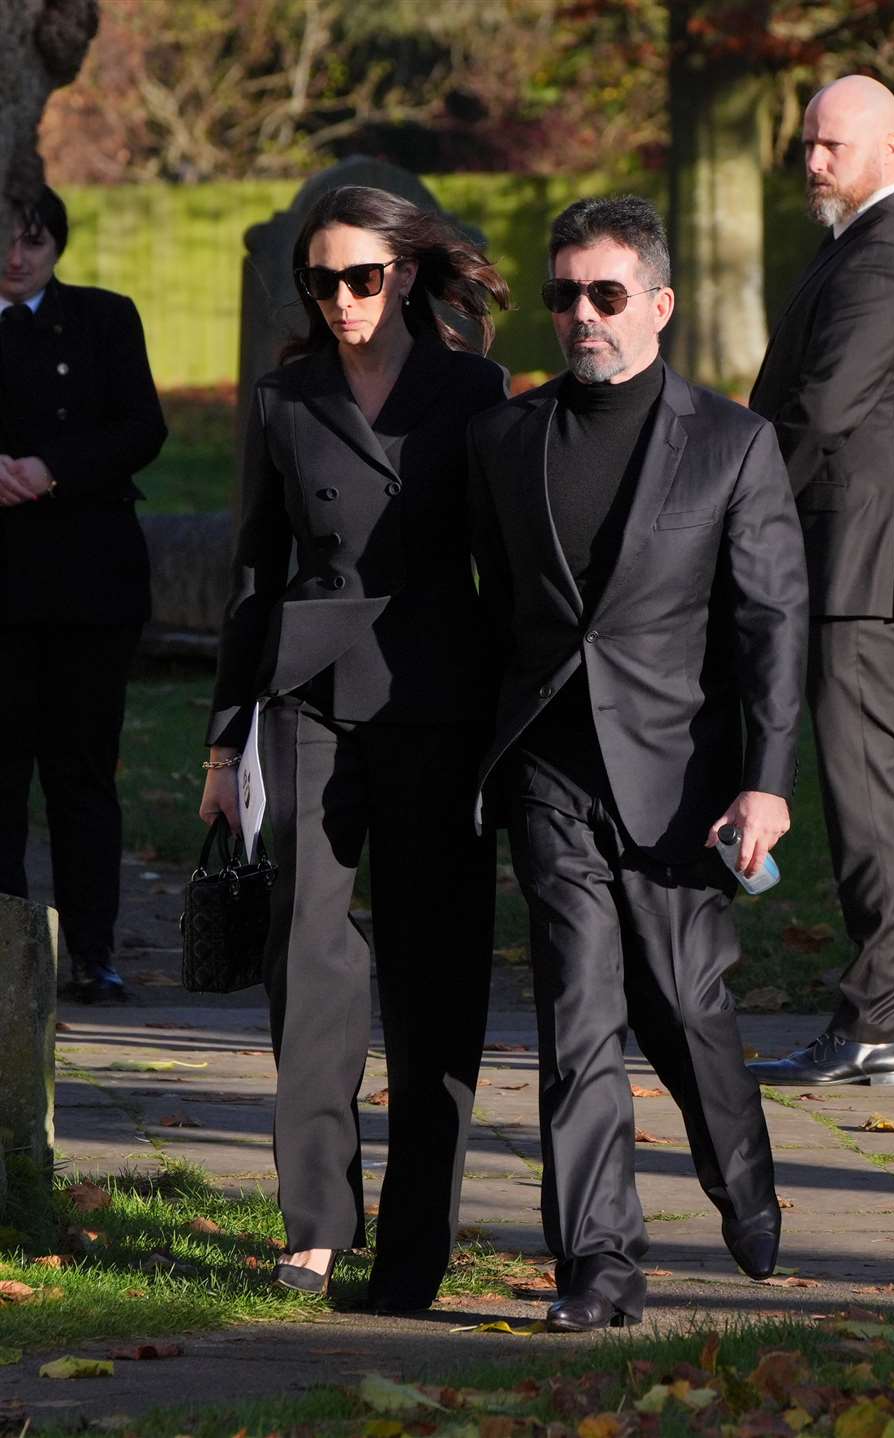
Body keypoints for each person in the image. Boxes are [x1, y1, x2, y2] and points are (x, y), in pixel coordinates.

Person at [468, 196, 808, 1332]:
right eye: (563, 294)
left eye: (606, 294)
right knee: (576, 1019)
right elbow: (500, 611)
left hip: (680, 784)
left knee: (684, 1007)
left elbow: (771, 622)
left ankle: (742, 1177)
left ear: (659, 304)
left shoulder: (731, 443)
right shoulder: (505, 441)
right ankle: (600, 1265)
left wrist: (765, 780)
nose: (582, 316)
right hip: (550, 772)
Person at [199, 185, 509, 1306]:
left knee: (437, 970)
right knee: (309, 969)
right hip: (307, 702)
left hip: (439, 704)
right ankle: (317, 1223)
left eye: (362, 277)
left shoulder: (472, 392)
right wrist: (225, 748)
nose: (339, 300)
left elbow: (507, 566)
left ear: (410, 274)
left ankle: (417, 1244)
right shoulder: (286, 398)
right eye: (320, 281)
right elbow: (251, 573)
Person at [747, 76, 894, 1089]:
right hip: (865, 549)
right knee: (884, 793)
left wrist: (738, 504)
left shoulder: (888, 253)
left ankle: (878, 1018)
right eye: (809, 145)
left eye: (832, 145)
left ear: (890, 144)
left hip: (858, 553)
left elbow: (822, 407)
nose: (813, 161)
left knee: (868, 795)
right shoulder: (869, 244)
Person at [0, 185, 166, 1004]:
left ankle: (92, 951)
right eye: (5, 239)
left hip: (87, 586)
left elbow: (143, 427)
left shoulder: (104, 318)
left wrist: (52, 467)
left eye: (33, 239)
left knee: (82, 776)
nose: (16, 255)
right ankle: (7, 956)